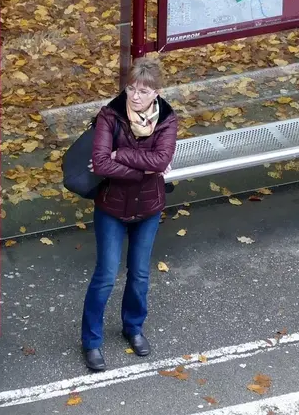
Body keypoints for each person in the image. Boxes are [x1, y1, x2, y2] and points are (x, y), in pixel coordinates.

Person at [81, 56, 178, 371]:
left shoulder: (167, 119)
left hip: (148, 208)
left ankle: (133, 328)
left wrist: (122, 154)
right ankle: (91, 341)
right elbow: (101, 163)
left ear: (156, 93)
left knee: (139, 275)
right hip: (111, 207)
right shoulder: (109, 116)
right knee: (106, 276)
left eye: (143, 91)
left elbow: (161, 158)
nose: (135, 97)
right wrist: (147, 167)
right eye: (132, 89)